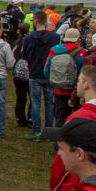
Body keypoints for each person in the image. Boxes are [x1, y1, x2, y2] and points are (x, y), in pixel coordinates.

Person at [23, 10, 62, 141]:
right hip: (49, 72)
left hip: (34, 71)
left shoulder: (29, 38)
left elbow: (25, 55)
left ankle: (36, 131)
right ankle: (49, 131)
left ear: (35, 21)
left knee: (36, 103)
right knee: (49, 103)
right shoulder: (55, 38)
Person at [46, 28, 88, 127]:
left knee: (60, 118)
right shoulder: (83, 53)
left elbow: (46, 70)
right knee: (78, 119)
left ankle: (59, 140)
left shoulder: (54, 51)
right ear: (78, 39)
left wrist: (53, 82)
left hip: (59, 90)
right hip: (77, 91)